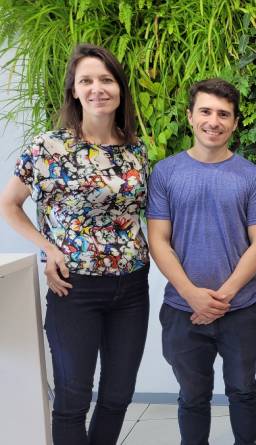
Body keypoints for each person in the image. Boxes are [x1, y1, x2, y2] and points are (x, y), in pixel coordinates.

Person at [0, 44, 148, 445]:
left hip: (132, 287)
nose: (97, 88)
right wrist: (48, 247)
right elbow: (9, 204)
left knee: (118, 395)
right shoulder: (48, 148)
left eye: (106, 79)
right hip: (75, 287)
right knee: (73, 397)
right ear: (74, 91)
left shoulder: (135, 149)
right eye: (87, 80)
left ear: (119, 88)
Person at [147, 78, 256, 445]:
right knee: (192, 396)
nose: (213, 121)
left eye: (223, 114)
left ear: (234, 123)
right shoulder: (166, 173)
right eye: (205, 111)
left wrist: (221, 298)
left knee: (243, 388)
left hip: (241, 308)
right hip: (182, 310)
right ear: (190, 116)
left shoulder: (251, 176)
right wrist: (193, 296)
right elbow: (158, 240)